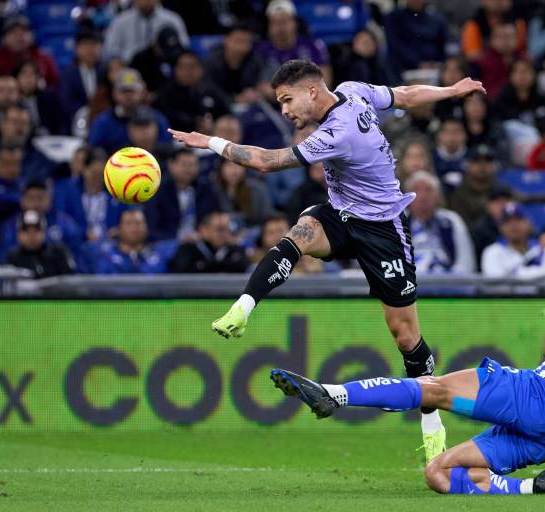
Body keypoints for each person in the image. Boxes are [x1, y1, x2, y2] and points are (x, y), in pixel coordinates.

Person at [169, 59, 486, 462]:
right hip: (341, 215)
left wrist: (210, 142)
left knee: (405, 335)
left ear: (312, 92)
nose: (285, 110)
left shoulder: (338, 132)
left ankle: (432, 424)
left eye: (287, 100)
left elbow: (266, 162)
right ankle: (243, 307)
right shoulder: (354, 88)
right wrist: (450, 90)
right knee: (299, 233)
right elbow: (403, 96)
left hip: (383, 229)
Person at [270, 251, 545, 495]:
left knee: (432, 388)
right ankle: (537, 488)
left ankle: (333, 395)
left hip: (536, 396)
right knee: (438, 474)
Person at [144, 148, 222, 241]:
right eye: (184, 165)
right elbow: (152, 228)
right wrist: (178, 239)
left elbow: (215, 216)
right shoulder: (158, 191)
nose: (189, 169)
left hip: (200, 241)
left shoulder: (206, 189)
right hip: (168, 242)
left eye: (193, 165)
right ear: (171, 165)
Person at [405, 172, 475, 275]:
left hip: (448, 283)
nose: (422, 196)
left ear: (437, 196)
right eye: (416, 190)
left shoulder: (452, 220)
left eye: (428, 190)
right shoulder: (397, 223)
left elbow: (465, 261)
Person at [87, 68, 170, 154]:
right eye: (124, 91)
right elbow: (94, 151)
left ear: (142, 92)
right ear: (114, 93)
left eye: (132, 91)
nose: (128, 96)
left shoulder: (156, 119)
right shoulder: (103, 122)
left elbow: (167, 148)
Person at [256, 0, 331, 86]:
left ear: (294, 23)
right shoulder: (260, 50)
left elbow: (325, 81)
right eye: (275, 23)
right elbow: (261, 86)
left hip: (310, 97)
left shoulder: (313, 46)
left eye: (284, 22)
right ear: (269, 26)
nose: (280, 27)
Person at [155, 50, 230, 133]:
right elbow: (165, 116)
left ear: (201, 69)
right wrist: (195, 123)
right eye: (182, 67)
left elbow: (227, 111)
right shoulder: (166, 93)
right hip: (176, 139)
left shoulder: (209, 90)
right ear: (175, 70)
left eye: (191, 67)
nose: (187, 72)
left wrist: (215, 125)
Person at [481, 204, 545, 280]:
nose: (513, 225)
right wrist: (536, 272)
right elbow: (496, 283)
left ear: (529, 223)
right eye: (507, 221)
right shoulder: (492, 252)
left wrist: (515, 272)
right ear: (500, 227)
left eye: (518, 219)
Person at [102, 0, 189, 62]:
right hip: (129, 67)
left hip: (163, 66)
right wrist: (116, 62)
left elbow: (184, 46)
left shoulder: (173, 20)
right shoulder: (120, 21)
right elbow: (110, 50)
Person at [203, 22, 262, 107]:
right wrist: (234, 99)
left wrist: (255, 92)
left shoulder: (255, 61)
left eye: (246, 42)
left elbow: (258, 84)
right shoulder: (211, 62)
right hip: (218, 108)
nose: (241, 47)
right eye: (237, 41)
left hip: (248, 107)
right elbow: (210, 90)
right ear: (226, 40)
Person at [385, 0, 448, 76]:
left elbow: (443, 44)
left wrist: (439, 63)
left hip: (435, 68)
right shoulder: (394, 18)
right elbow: (395, 44)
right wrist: (417, 63)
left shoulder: (437, 19)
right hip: (404, 69)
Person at [169, 211, 247, 273]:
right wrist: (225, 265)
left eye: (227, 230)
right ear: (203, 230)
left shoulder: (235, 249)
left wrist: (204, 265)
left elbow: (241, 266)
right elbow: (180, 269)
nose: (224, 234)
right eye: (219, 229)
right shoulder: (189, 248)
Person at [6, 209, 75, 278]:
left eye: (36, 230)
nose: (31, 235)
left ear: (44, 232)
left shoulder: (58, 252)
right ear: (18, 234)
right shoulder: (13, 257)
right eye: (26, 231)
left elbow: (70, 279)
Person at [96, 209, 168, 274]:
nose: (134, 228)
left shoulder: (158, 256)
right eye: (128, 223)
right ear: (118, 229)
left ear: (147, 228)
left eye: (138, 223)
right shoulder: (107, 257)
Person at [57, 28, 103, 125]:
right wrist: (86, 112)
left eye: (94, 45)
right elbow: (66, 101)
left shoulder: (104, 71)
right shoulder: (67, 74)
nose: (91, 50)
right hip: (76, 120)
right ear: (77, 48)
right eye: (86, 45)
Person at [0, 16, 58, 87]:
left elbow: (54, 85)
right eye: (13, 32)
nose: (19, 36)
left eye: (24, 31)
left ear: (32, 35)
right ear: (3, 38)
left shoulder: (44, 58)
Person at [447, 145, 499, 229]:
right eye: (476, 161)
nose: (483, 165)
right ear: (468, 165)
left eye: (488, 161)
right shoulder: (459, 195)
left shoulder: (501, 190)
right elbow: (463, 228)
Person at [432, 118, 468, 190]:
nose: (452, 136)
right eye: (447, 132)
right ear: (439, 135)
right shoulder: (430, 157)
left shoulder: (473, 157)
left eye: (456, 132)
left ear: (465, 135)